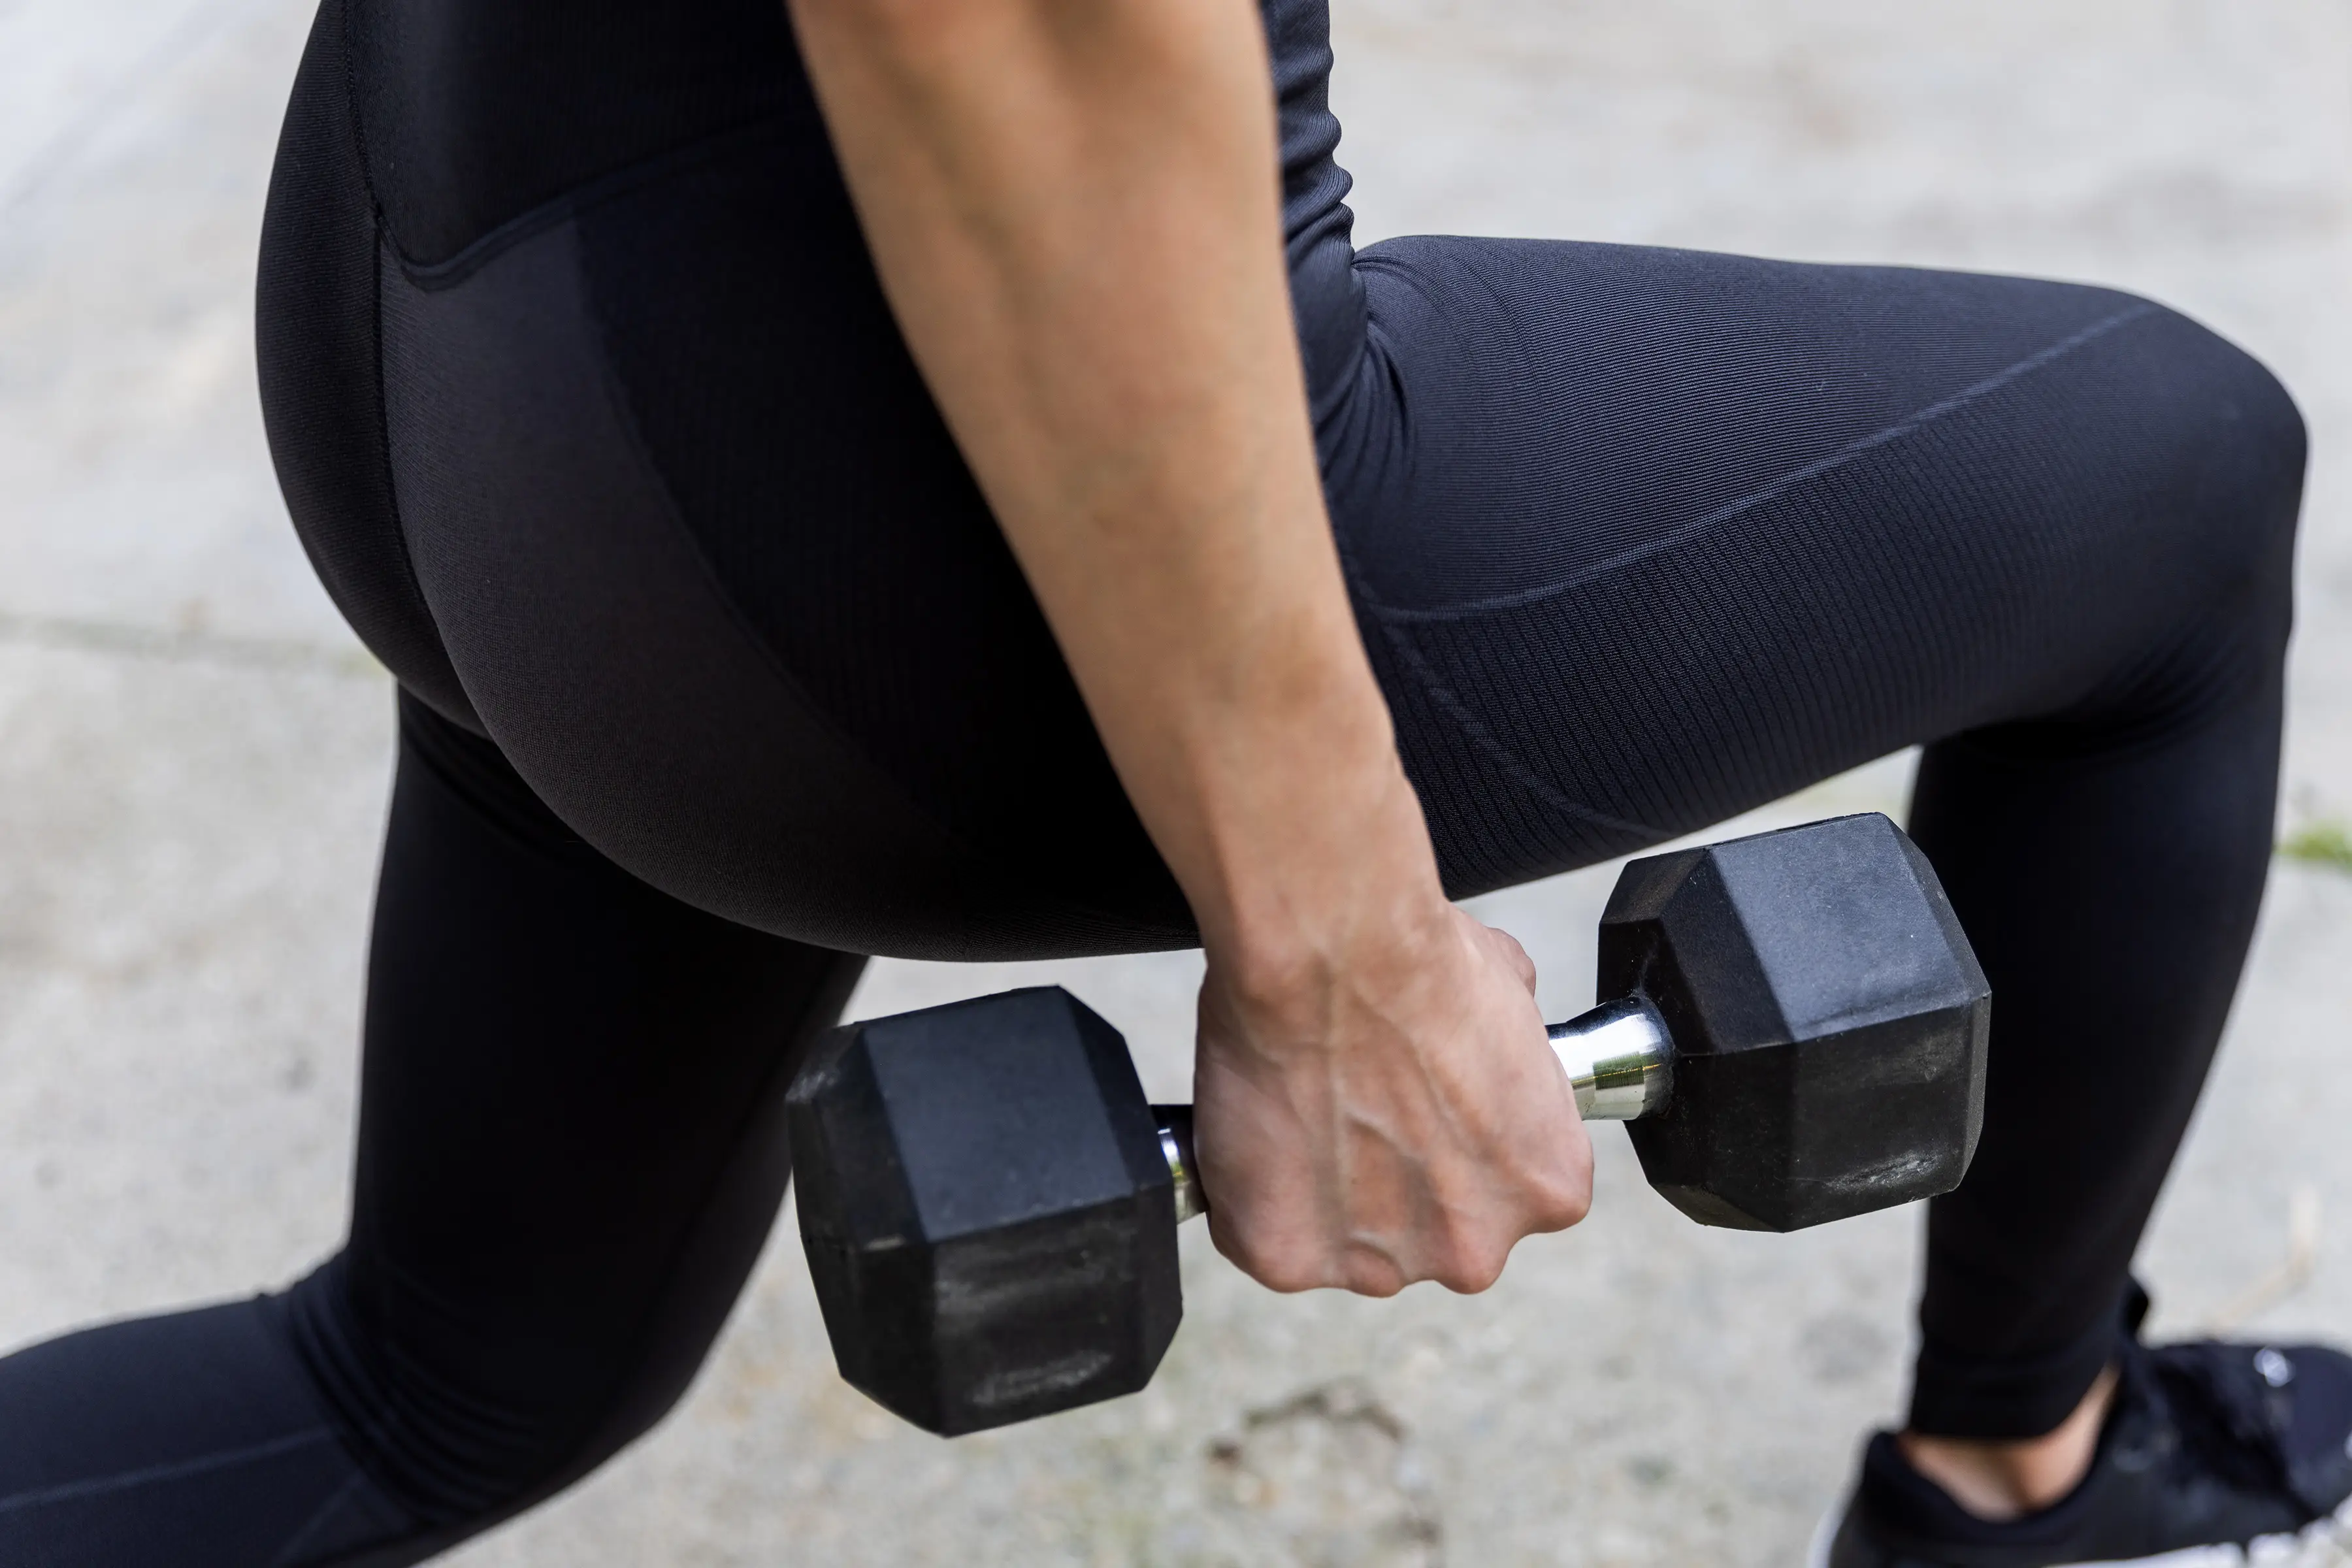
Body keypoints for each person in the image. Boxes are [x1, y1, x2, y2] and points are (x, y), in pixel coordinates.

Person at [0, 0, 2344, 1561]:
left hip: (446, 287)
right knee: (2175, 488)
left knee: (434, 1382)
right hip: (829, 475)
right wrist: (1339, 946)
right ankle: (2026, 1480)